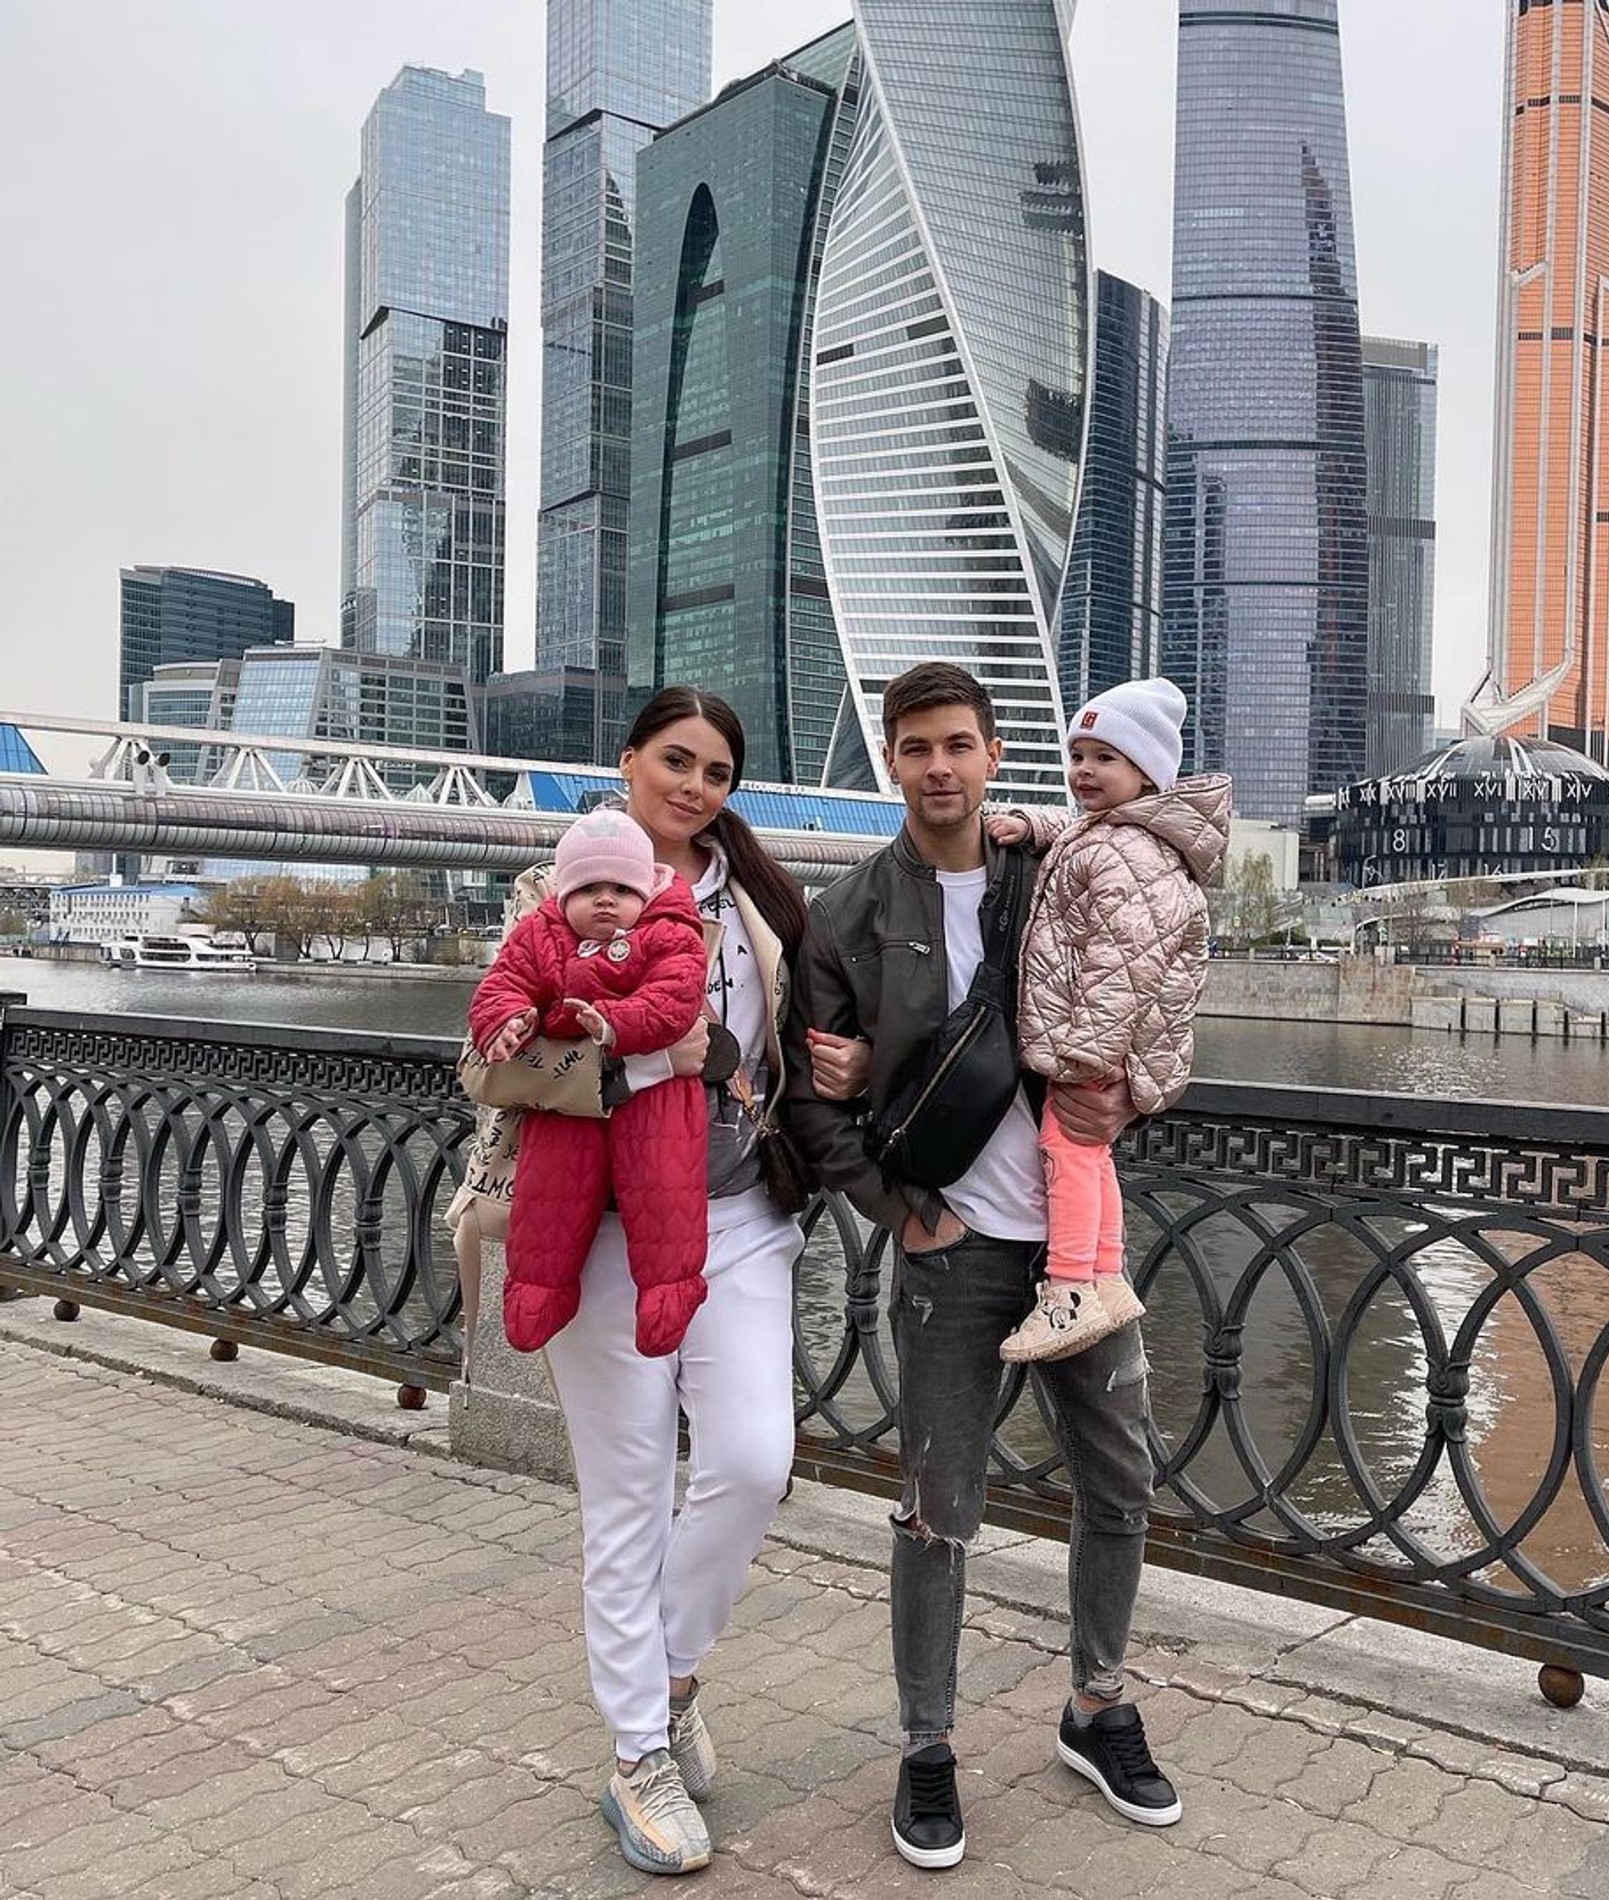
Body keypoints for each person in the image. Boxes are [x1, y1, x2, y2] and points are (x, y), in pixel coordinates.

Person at [785, 662, 1182, 1872]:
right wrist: (902, 1211)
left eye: (958, 743)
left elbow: (1153, 969)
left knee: (1121, 1479)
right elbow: (811, 1099)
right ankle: (927, 1744)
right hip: (951, 1249)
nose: (938, 767)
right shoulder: (848, 911)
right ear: (890, 759)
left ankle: (1096, 1704)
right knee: (936, 1511)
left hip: (1076, 1249)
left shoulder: (1054, 863)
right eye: (915, 747)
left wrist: (1135, 1092)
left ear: (994, 752)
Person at [466, 687, 842, 1877]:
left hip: (736, 1217)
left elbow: (797, 1044)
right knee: (626, 1498)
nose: (693, 786)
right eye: (675, 760)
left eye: (717, 771)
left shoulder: (762, 901)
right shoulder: (549, 894)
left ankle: (668, 1679)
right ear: (627, 762)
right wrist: (647, 1060)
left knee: (753, 1459)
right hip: (595, 1228)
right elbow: (492, 1059)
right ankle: (637, 1751)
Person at [987, 678, 1231, 1363]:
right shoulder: (1122, 836)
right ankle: (1107, 1276)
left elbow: (1121, 962)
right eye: (1078, 756)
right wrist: (1033, 826)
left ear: (1146, 773)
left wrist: (1086, 1053)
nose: (1084, 771)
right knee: (1090, 1156)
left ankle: (1067, 1291)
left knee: (1066, 1150)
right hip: (1118, 1042)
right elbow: (1077, 837)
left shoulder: (1129, 851)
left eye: (1105, 759)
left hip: (1098, 1042)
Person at [465, 807, 710, 1357]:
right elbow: (502, 983)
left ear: (645, 892)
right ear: (564, 893)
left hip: (657, 1097)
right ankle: (537, 1291)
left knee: (665, 1185)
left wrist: (615, 1023)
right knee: (550, 1189)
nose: (605, 900)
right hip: (567, 1105)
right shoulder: (540, 932)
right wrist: (506, 1022)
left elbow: (675, 998)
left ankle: (670, 1291)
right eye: (589, 889)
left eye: (621, 889)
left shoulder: (670, 930)